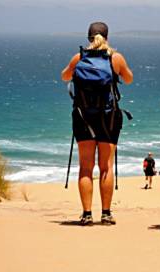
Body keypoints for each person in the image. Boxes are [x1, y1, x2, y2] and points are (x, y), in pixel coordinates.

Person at [61, 22, 133, 226]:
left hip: (83, 117)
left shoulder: (79, 58)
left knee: (85, 167)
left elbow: (64, 76)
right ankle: (106, 213)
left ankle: (86, 214)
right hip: (108, 118)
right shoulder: (115, 59)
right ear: (107, 37)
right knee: (105, 167)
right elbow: (128, 79)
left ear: (89, 37)